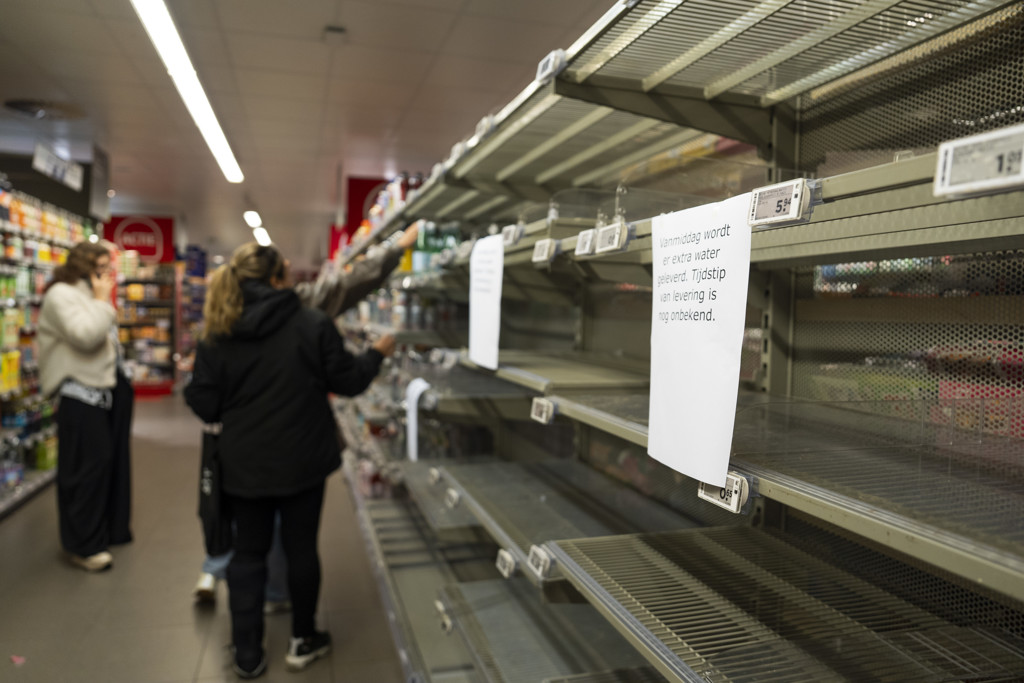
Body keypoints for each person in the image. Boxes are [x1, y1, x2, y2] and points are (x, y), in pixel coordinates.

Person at [185, 242, 395, 678]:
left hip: (243, 465)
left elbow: (205, 405)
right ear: (281, 276)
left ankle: (247, 653)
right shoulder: (313, 323)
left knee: (248, 554)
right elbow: (349, 380)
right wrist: (377, 353)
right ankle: (303, 639)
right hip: (304, 460)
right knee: (302, 550)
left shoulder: (217, 331)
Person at [39, 241, 134, 572]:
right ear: (86, 267)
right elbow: (85, 335)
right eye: (103, 268)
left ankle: (106, 530)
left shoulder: (86, 296)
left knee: (107, 464)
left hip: (104, 389)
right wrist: (101, 301)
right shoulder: (62, 295)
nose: (108, 275)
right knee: (86, 468)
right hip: (79, 393)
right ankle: (83, 544)